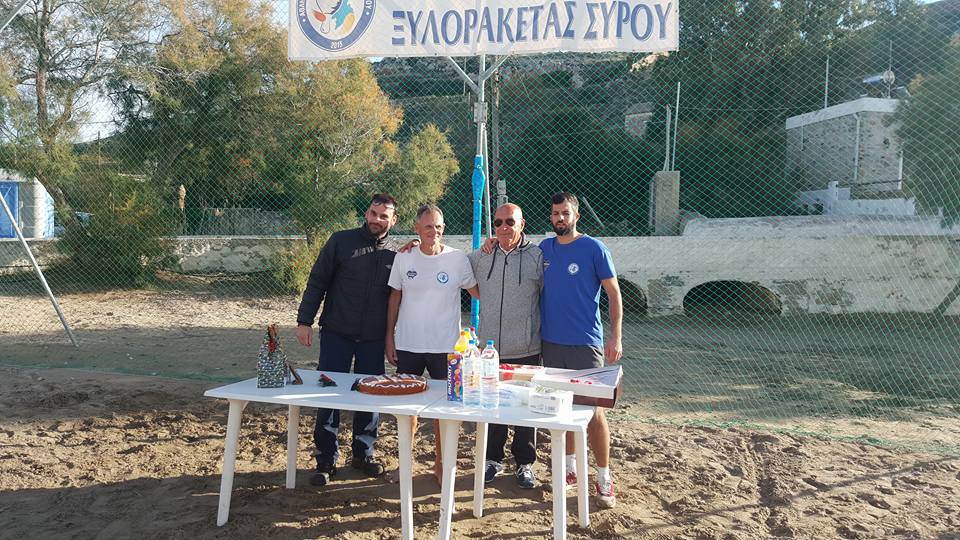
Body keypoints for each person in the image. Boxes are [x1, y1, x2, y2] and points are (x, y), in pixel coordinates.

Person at [295, 194, 400, 486]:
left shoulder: (398, 254)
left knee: (370, 395)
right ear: (366, 213)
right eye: (373, 213)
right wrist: (304, 321)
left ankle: (363, 454)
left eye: (383, 216)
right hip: (336, 333)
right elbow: (317, 281)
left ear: (393, 220)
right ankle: (326, 459)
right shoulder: (341, 241)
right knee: (329, 394)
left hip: (373, 339)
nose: (376, 219)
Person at [540, 192, 622, 509]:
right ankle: (570, 470)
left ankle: (603, 477)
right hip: (551, 342)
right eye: (555, 213)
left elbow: (614, 294)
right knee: (562, 408)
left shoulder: (594, 249)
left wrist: (615, 338)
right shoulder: (544, 248)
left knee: (594, 413)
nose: (560, 218)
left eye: (565, 213)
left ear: (576, 216)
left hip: (586, 343)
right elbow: (512, 247)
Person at [385, 204, 479, 483]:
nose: (433, 232)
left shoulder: (457, 258)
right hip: (409, 344)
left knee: (444, 410)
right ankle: (404, 464)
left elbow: (478, 292)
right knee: (407, 409)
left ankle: (441, 465)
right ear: (417, 228)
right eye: (428, 227)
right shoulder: (404, 257)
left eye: (438, 227)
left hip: (446, 347)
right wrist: (389, 336)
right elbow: (394, 297)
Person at [467, 203, 544, 489]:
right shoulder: (481, 256)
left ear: (522, 224)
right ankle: (492, 460)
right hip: (490, 351)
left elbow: (547, 293)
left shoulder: (537, 256)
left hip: (527, 347)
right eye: (498, 222)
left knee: (525, 409)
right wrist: (414, 245)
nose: (503, 227)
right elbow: (448, 263)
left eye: (510, 222)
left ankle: (525, 463)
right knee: (492, 406)